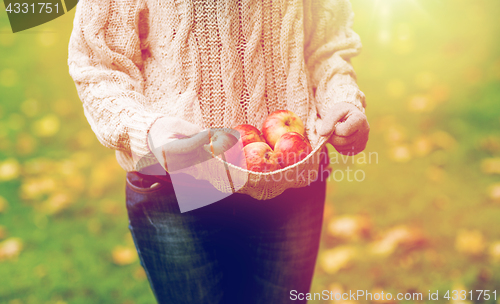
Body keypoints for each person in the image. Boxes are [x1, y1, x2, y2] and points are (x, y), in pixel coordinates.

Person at [68, 0, 369, 303]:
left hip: (289, 175)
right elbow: (98, 65)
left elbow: (328, 44)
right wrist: (148, 130)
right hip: (178, 181)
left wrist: (340, 100)